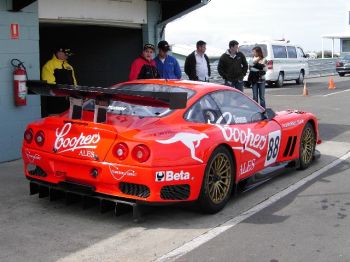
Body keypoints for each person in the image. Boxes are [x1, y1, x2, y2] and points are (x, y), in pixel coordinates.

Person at [41, 47, 77, 116]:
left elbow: (74, 82)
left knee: (69, 121)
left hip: (69, 101)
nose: (67, 56)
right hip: (55, 101)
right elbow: (50, 84)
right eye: (66, 54)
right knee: (55, 121)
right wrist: (65, 93)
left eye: (68, 55)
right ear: (59, 53)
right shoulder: (49, 65)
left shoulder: (69, 66)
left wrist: (75, 93)